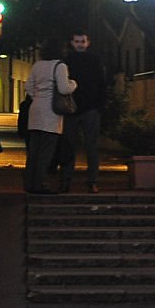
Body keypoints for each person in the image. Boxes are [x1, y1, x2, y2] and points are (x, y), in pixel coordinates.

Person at [24, 38, 77, 195]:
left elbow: (28, 87)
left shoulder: (37, 65)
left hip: (35, 110)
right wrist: (74, 84)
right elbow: (63, 88)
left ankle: (30, 183)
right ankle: (40, 184)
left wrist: (38, 97)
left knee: (33, 151)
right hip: (50, 113)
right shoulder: (60, 66)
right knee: (46, 151)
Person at [59, 32, 107, 193]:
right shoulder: (71, 60)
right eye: (77, 41)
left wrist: (99, 105)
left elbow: (102, 83)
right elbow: (102, 83)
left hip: (83, 108)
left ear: (88, 43)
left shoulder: (69, 60)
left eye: (82, 41)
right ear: (72, 42)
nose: (80, 44)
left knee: (85, 146)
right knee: (76, 146)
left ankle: (80, 181)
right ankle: (80, 181)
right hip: (76, 108)